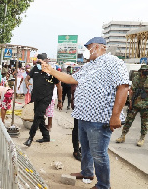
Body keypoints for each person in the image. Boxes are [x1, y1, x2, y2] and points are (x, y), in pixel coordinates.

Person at [40, 37, 129, 189]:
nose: (88, 52)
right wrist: (51, 70)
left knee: (99, 154)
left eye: (89, 48)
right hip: (83, 116)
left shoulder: (114, 62)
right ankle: (87, 172)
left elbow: (123, 87)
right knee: (86, 149)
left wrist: (115, 115)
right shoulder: (89, 66)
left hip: (100, 118)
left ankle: (103, 185)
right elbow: (70, 78)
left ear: (98, 47)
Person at [23, 53, 62, 147]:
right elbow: (27, 78)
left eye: (42, 62)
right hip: (36, 97)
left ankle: (30, 138)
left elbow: (59, 86)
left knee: (37, 116)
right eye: (39, 62)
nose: (40, 64)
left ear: (46, 61)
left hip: (46, 98)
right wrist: (27, 82)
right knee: (39, 117)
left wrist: (60, 101)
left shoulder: (51, 71)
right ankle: (46, 136)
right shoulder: (35, 69)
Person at [116, 65, 148, 147]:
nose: (146, 71)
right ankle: (123, 136)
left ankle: (142, 138)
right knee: (128, 121)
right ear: (141, 71)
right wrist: (130, 102)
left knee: (144, 123)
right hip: (135, 104)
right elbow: (131, 91)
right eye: (144, 70)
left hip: (146, 106)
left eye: (147, 70)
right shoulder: (135, 79)